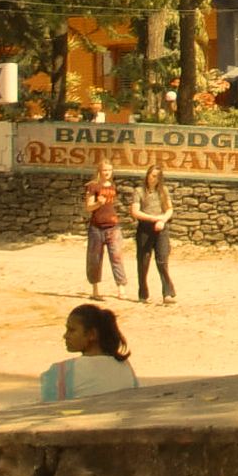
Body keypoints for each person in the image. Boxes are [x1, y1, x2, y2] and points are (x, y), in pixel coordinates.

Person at [40, 304, 139, 401]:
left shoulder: (61, 372)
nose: (65, 336)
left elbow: (50, 409)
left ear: (92, 334)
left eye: (71, 330)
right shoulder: (125, 366)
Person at [130, 164, 176, 305]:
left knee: (162, 261)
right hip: (145, 227)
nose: (154, 178)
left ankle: (168, 293)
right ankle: (143, 294)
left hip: (161, 227)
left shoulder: (163, 191)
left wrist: (162, 219)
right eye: (152, 175)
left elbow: (169, 209)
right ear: (148, 175)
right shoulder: (139, 191)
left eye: (157, 176)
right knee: (143, 261)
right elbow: (135, 212)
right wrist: (153, 219)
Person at [84, 159, 129, 300]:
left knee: (116, 256)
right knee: (95, 258)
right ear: (99, 171)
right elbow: (88, 207)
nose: (107, 172)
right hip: (97, 227)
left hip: (112, 226)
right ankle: (95, 290)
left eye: (109, 170)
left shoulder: (113, 186)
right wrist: (98, 202)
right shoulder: (93, 186)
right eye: (104, 170)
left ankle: (121, 288)